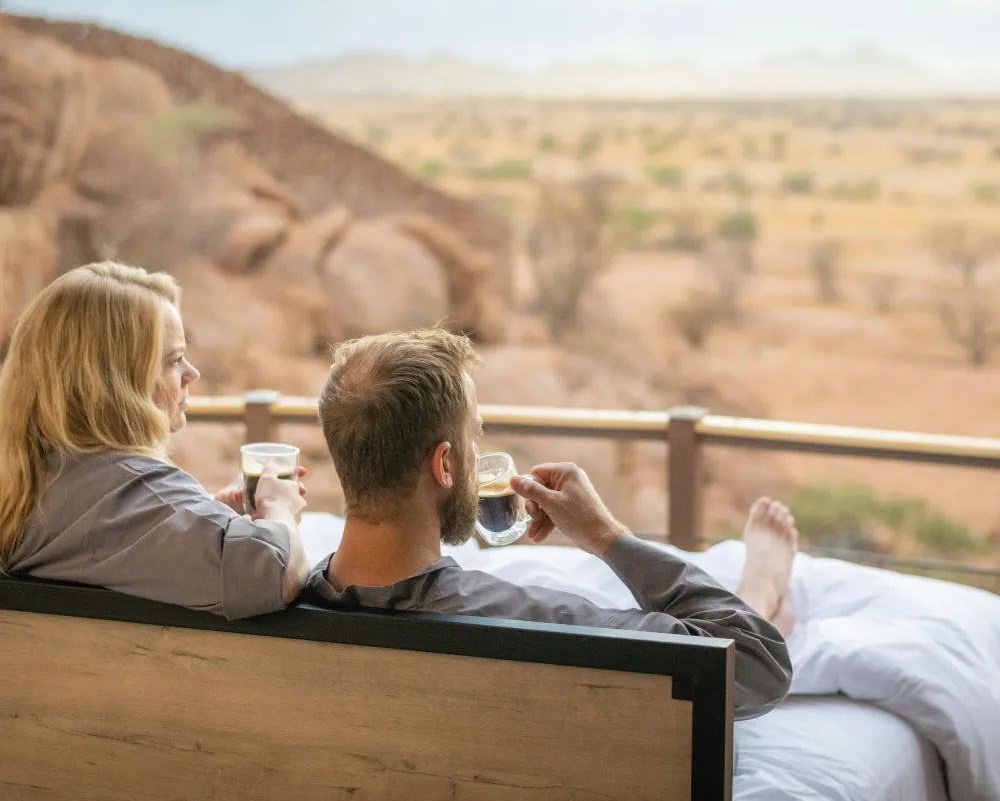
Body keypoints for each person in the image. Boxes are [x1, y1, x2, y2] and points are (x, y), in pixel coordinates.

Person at [306, 327, 794, 720]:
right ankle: (761, 590)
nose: (480, 454)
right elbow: (754, 661)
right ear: (445, 466)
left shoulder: (278, 596)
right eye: (474, 435)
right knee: (748, 616)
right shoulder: (533, 627)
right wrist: (607, 535)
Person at [0, 261, 309, 619]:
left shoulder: (27, 473)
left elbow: (105, 535)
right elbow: (273, 573)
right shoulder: (130, 490)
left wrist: (203, 512)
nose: (192, 373)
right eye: (175, 360)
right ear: (116, 382)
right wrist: (278, 507)